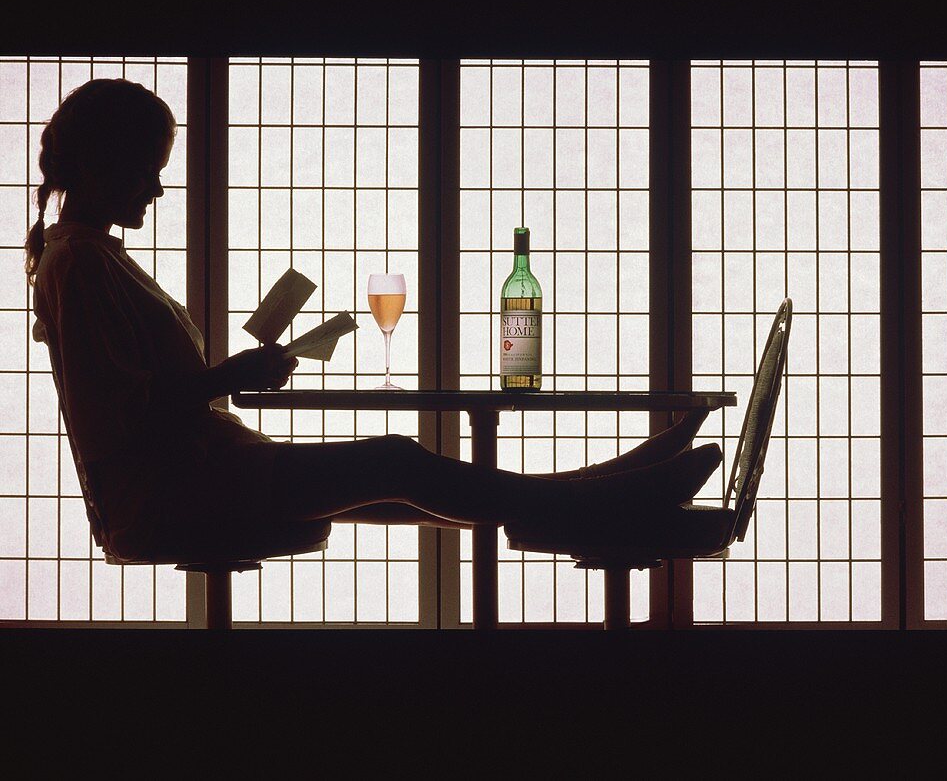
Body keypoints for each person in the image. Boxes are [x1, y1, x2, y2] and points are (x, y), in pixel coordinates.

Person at [27, 78, 722, 563]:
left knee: (402, 487)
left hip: (198, 476)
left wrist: (226, 377)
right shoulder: (81, 266)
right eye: (146, 168)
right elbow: (122, 416)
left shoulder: (89, 258)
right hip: (172, 495)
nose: (156, 186)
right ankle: (597, 498)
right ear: (101, 164)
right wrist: (231, 374)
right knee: (393, 460)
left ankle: (594, 490)